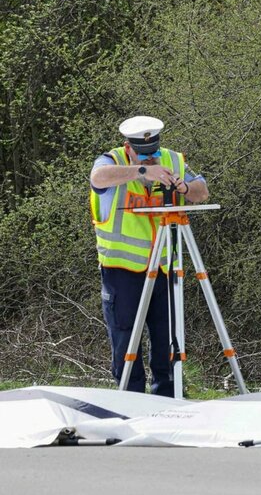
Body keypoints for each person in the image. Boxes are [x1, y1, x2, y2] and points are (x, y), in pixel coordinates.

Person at [89, 116, 209, 396]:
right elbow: (98, 179)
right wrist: (142, 171)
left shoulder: (174, 160)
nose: (152, 159)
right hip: (122, 271)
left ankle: (168, 397)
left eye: (154, 154)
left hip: (165, 268)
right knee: (125, 339)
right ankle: (130, 401)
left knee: (166, 337)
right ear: (128, 148)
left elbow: (202, 190)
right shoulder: (110, 161)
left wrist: (184, 188)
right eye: (143, 155)